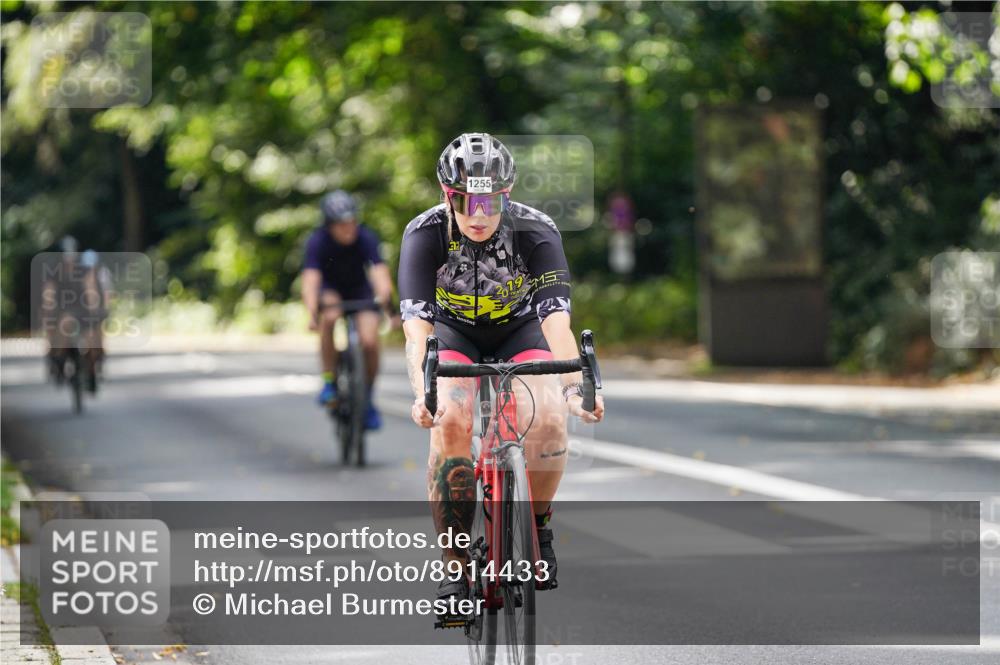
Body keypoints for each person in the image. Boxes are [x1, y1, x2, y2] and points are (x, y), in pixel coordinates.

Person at [397, 133, 606, 609]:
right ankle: (454, 566)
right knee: (449, 419)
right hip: (451, 335)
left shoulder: (537, 231)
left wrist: (576, 388)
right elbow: (417, 331)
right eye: (464, 200)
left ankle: (537, 524)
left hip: (520, 331)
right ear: (445, 194)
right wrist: (423, 392)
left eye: (489, 201)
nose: (477, 214)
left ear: (505, 194)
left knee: (551, 419)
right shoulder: (424, 234)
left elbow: (556, 323)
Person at [301, 190, 395, 431]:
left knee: (370, 340)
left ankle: (367, 397)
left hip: (359, 290)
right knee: (330, 316)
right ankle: (329, 381)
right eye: (341, 225)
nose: (348, 228)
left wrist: (388, 308)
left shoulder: (366, 237)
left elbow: (379, 274)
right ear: (329, 226)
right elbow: (311, 281)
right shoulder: (318, 241)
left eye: (351, 222)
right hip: (331, 289)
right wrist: (312, 314)